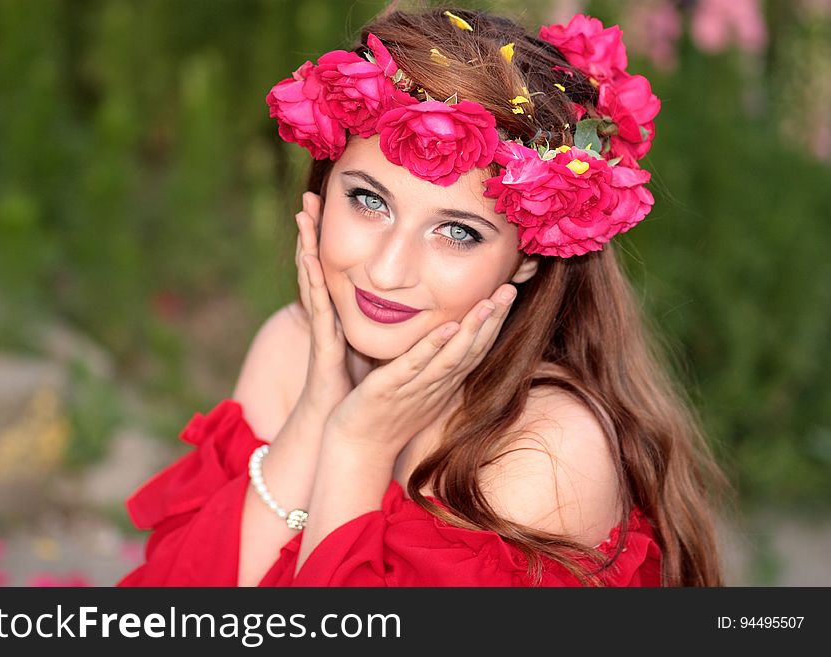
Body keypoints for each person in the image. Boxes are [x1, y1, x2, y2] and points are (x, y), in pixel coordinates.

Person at [118, 6, 726, 587]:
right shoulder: (292, 348)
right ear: (323, 193)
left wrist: (359, 443)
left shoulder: (545, 448)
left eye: (457, 232)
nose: (386, 271)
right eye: (368, 200)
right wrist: (315, 412)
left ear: (529, 256)